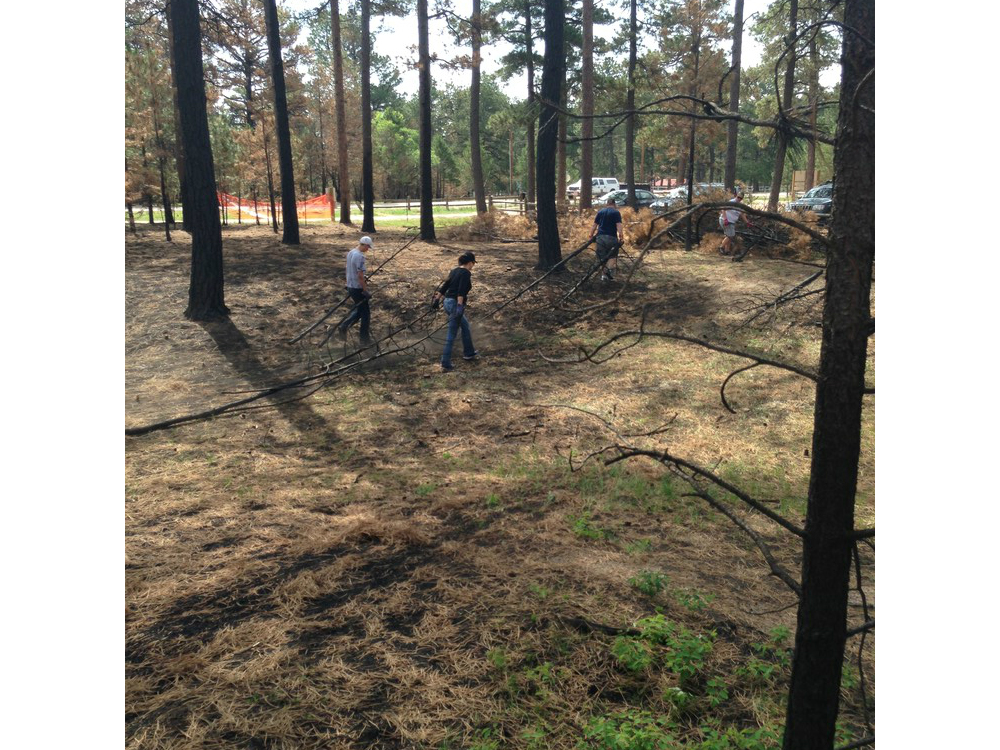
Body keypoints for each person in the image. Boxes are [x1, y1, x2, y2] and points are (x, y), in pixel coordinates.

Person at [433, 252, 478, 371]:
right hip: (455, 304)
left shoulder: (454, 271)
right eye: (473, 263)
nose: (473, 266)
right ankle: (445, 362)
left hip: (447, 302)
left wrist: (437, 299)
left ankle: (469, 352)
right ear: (470, 263)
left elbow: (445, 286)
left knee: (465, 326)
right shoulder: (466, 273)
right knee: (452, 333)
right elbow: (461, 291)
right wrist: (459, 306)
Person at [338, 236, 373, 345]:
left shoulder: (351, 252)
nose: (368, 249)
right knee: (366, 314)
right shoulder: (360, 256)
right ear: (364, 245)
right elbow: (360, 276)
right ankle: (364, 339)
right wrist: (365, 290)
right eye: (368, 247)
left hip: (350, 286)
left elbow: (350, 270)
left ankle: (344, 326)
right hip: (357, 288)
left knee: (360, 310)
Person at [589, 196, 624, 281]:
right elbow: (619, 225)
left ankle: (603, 275)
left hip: (600, 237)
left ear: (607, 204)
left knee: (602, 257)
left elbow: (594, 225)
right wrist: (621, 236)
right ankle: (608, 271)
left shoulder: (601, 212)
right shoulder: (616, 213)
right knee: (612, 256)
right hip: (612, 237)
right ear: (614, 204)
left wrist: (591, 235)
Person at [719, 191, 752, 257]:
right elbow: (723, 209)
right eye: (738, 197)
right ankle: (721, 247)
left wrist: (747, 222)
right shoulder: (731, 202)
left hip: (731, 222)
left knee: (729, 236)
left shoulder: (740, 205)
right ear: (736, 196)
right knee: (731, 235)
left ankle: (727, 251)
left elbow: (742, 214)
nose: (739, 199)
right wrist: (725, 219)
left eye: (741, 198)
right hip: (725, 220)